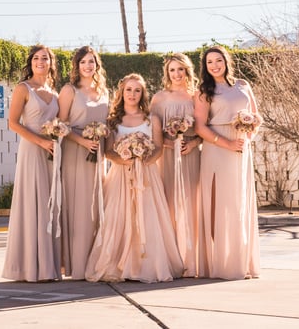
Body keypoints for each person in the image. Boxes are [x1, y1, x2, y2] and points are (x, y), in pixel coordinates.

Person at [85, 73, 183, 283]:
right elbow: (109, 152)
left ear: (142, 94)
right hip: (121, 175)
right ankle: (119, 264)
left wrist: (144, 160)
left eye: (137, 90)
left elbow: (158, 148)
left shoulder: (151, 119)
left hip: (147, 175)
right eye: (129, 90)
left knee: (148, 217)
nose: (132, 94)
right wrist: (126, 160)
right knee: (118, 218)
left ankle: (148, 265)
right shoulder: (112, 121)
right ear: (122, 92)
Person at [193, 44, 262, 280]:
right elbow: (200, 127)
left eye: (218, 60)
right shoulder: (204, 91)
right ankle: (223, 264)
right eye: (209, 62)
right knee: (222, 205)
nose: (214, 65)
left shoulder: (243, 85)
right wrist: (227, 143)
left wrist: (247, 135)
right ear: (205, 66)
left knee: (240, 204)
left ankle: (242, 261)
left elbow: (257, 117)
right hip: (217, 149)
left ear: (226, 61)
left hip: (242, 150)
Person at [2, 45, 62, 282]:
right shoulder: (23, 88)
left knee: (50, 205)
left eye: (45, 58)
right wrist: (40, 142)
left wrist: (56, 140)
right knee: (32, 204)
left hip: (52, 152)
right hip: (32, 149)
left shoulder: (56, 94)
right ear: (31, 62)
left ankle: (47, 266)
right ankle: (27, 267)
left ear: (51, 63)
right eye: (36, 58)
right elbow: (13, 123)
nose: (40, 61)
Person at [57, 45, 110, 280]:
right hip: (75, 152)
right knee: (78, 207)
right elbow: (61, 126)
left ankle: (94, 261)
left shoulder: (105, 92)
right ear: (76, 66)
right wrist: (82, 141)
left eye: (92, 62)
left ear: (97, 65)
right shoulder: (69, 91)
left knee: (96, 207)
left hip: (98, 154)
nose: (88, 66)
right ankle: (76, 264)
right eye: (83, 62)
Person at [150, 52, 203, 277]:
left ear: (187, 70)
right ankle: (172, 260)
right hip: (167, 158)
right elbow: (152, 131)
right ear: (167, 73)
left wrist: (193, 144)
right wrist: (167, 146)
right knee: (169, 205)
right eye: (172, 70)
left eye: (180, 69)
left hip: (191, 156)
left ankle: (194, 260)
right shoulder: (159, 98)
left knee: (192, 205)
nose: (177, 74)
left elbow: (204, 129)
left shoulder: (197, 96)